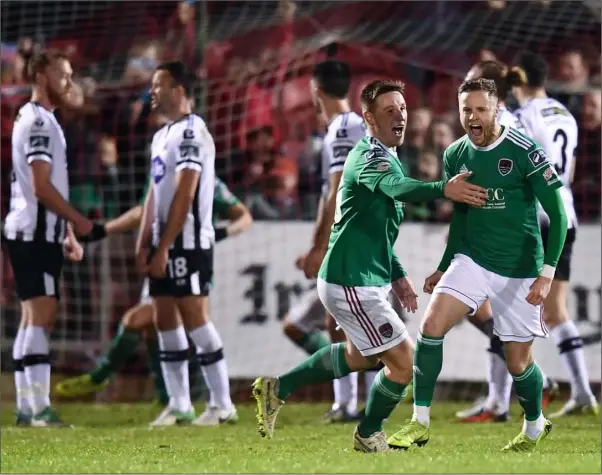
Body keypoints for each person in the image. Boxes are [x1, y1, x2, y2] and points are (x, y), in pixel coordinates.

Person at [253, 79, 488, 452]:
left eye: (403, 109)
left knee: (358, 355)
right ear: (369, 118)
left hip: (363, 276)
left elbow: (378, 230)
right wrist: (444, 188)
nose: (400, 116)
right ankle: (367, 433)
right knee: (404, 362)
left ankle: (277, 388)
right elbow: (396, 188)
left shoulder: (390, 155)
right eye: (389, 111)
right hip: (350, 279)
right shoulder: (369, 157)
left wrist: (397, 276)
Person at [388, 78, 567, 452]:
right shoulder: (454, 154)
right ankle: (419, 421)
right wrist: (443, 265)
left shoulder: (524, 151)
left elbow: (558, 215)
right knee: (431, 326)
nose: (472, 117)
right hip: (472, 259)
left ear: (497, 109)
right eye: (466, 109)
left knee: (518, 363)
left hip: (519, 268)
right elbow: (461, 217)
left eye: (480, 109)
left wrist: (547, 273)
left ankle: (534, 423)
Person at [55, 177, 252, 413]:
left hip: (189, 259)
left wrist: (220, 233)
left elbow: (244, 216)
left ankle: (101, 376)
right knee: (153, 328)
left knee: (143, 320)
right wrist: (103, 230)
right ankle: (167, 397)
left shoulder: (204, 178)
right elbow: (143, 211)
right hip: (160, 256)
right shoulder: (159, 170)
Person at [456, 59, 558, 423]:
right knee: (489, 314)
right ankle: (498, 401)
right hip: (500, 227)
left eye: (470, 84)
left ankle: (515, 393)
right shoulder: (502, 123)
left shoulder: (507, 128)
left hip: (510, 231)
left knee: (481, 310)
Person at [136, 61, 236, 426]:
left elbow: (185, 191)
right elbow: (154, 193)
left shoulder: (193, 132)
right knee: (164, 319)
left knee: (195, 318)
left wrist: (164, 246)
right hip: (165, 240)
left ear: (179, 90)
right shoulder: (162, 135)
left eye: (158, 84)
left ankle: (222, 404)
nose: (152, 92)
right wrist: (143, 240)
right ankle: (179, 404)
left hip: (189, 242)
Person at [4, 49, 98, 426]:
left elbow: (45, 184)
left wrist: (68, 230)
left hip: (34, 230)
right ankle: (38, 409)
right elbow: (42, 187)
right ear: (41, 76)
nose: (69, 83)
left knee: (32, 318)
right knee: (41, 316)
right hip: (34, 232)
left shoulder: (38, 118)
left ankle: (28, 408)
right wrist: (79, 220)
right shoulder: (41, 123)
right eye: (64, 75)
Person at [512, 51, 598, 418]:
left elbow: (519, 172)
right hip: (567, 214)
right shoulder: (566, 114)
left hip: (536, 217)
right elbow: (572, 168)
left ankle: (513, 395)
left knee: (509, 306)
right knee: (555, 308)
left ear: (517, 80)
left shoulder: (522, 118)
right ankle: (582, 392)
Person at [282, 59, 366, 422]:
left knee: (350, 326)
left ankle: (356, 402)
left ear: (316, 91)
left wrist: (320, 247)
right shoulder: (350, 126)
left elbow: (337, 192)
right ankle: (345, 404)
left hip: (350, 241)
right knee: (338, 324)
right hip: (354, 239)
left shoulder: (344, 127)